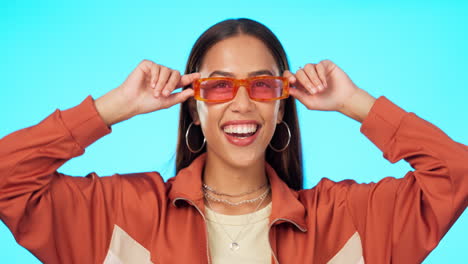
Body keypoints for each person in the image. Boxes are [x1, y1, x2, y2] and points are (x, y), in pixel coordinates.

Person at [0, 18, 466, 264]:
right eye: (220, 86)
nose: (242, 104)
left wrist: (354, 101)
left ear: (282, 104)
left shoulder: (349, 222)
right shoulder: (121, 213)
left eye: (263, 85)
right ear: (194, 105)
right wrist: (114, 107)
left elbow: (456, 175)